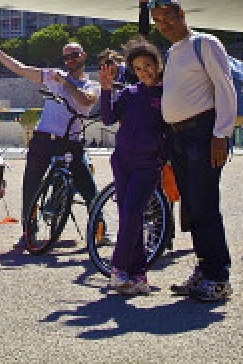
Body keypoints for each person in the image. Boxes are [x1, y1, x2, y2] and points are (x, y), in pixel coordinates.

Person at [150, 0, 236, 302]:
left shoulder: (205, 44)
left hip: (202, 134)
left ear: (182, 14)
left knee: (205, 205)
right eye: (158, 21)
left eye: (168, 18)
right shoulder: (173, 52)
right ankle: (204, 267)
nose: (163, 25)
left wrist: (220, 134)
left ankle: (218, 276)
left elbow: (225, 88)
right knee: (192, 206)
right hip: (179, 137)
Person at [0, 35, 100, 231]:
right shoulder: (54, 76)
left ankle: (98, 230)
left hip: (72, 142)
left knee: (88, 187)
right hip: (44, 138)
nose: (70, 61)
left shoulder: (91, 85)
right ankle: (29, 229)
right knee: (31, 185)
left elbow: (86, 101)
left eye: (74, 56)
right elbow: (21, 69)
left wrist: (65, 83)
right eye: (66, 58)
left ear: (84, 56)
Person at [98, 40, 167, 295]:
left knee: (133, 215)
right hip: (122, 161)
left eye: (148, 65)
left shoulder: (167, 94)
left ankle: (118, 268)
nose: (144, 72)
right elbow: (107, 118)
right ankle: (137, 274)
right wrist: (106, 90)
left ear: (158, 64)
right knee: (129, 216)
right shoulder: (130, 92)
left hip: (148, 164)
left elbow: (171, 131)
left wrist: (163, 158)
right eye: (138, 68)